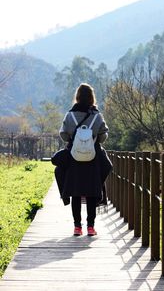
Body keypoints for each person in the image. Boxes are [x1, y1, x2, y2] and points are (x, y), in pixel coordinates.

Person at [59, 83, 110, 236]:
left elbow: (63, 134)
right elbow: (103, 136)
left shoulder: (70, 115)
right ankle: (91, 227)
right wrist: (92, 138)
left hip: (75, 158)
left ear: (78, 96)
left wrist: (74, 140)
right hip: (92, 159)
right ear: (91, 98)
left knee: (76, 191)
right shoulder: (97, 116)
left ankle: (77, 227)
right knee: (91, 192)